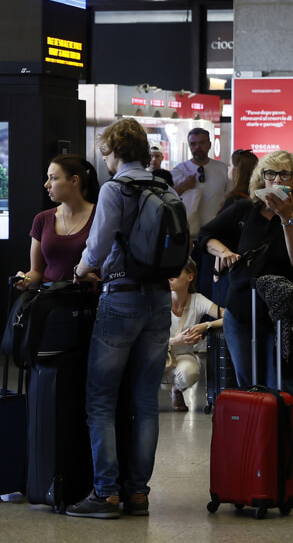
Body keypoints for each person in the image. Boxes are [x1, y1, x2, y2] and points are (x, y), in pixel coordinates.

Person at [67, 118, 172, 519]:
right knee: (146, 401)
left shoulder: (115, 189)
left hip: (121, 298)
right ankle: (138, 494)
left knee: (100, 400)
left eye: (106, 153)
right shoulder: (162, 185)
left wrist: (79, 270)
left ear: (114, 151)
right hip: (159, 300)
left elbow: (97, 247)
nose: (105, 160)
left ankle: (106, 493)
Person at [200, 150, 293, 391]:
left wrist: (287, 217)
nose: (277, 181)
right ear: (261, 179)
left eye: (285, 175)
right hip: (243, 312)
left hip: (287, 316)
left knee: (282, 387)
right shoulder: (244, 210)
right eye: (270, 174)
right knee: (249, 387)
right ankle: (255, 429)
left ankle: (279, 430)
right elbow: (205, 235)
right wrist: (223, 252)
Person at [14, 154, 99, 289]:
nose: (46, 184)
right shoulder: (42, 219)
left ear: (74, 181)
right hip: (50, 301)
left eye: (53, 178)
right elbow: (36, 271)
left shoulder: (100, 216)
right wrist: (25, 279)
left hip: (88, 301)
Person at [163, 259, 224, 412]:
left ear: (189, 277)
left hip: (183, 358)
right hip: (158, 356)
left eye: (175, 274)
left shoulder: (197, 300)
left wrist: (206, 325)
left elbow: (228, 316)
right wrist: (177, 340)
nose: (170, 278)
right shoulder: (159, 300)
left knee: (189, 372)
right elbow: (147, 340)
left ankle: (177, 389)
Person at [171, 127, 228, 237]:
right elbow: (169, 197)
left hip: (216, 233)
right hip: (189, 235)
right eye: (193, 144)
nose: (197, 147)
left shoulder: (223, 169)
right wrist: (184, 185)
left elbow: (231, 196)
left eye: (202, 143)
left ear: (209, 145)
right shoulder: (179, 170)